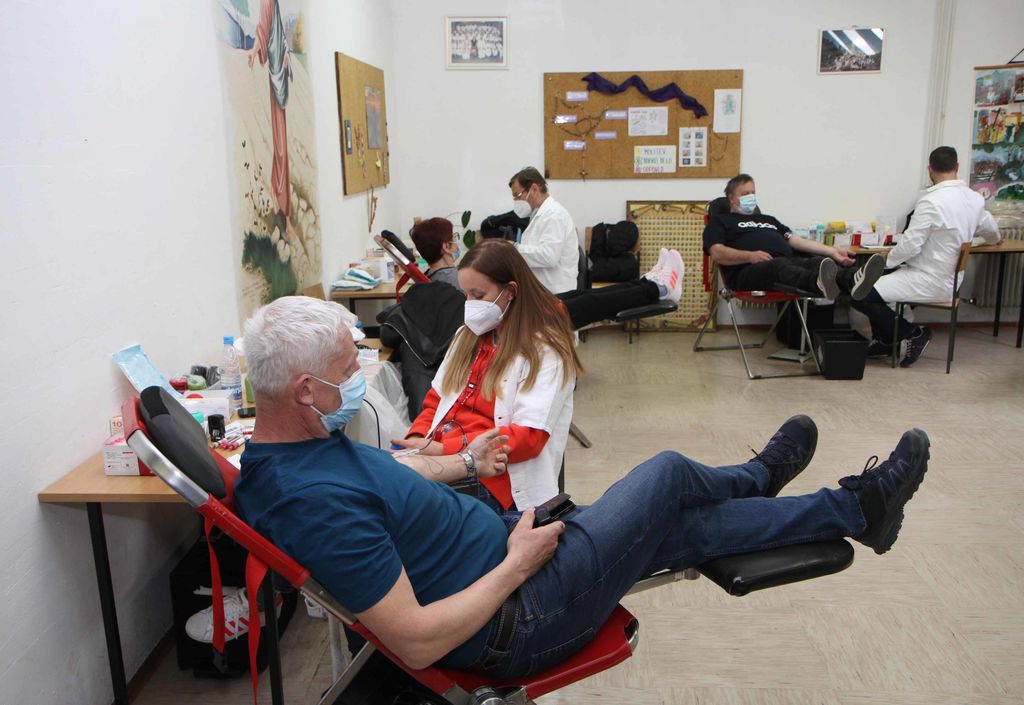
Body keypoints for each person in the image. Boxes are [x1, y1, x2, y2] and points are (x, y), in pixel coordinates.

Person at [236, 294, 931, 680]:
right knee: (667, 475)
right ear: (305, 390)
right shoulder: (311, 502)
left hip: (512, 557)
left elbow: (389, 477)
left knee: (687, 526)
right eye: (346, 369)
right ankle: (759, 478)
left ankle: (857, 508)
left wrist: (464, 464)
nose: (359, 376)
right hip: (522, 614)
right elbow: (415, 643)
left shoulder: (298, 446)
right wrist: (516, 565)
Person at [394, 240, 583, 512]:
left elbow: (528, 438)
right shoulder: (467, 336)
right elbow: (436, 399)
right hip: (447, 457)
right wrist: (417, 438)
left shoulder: (544, 350)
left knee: (406, 509)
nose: (470, 305)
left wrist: (444, 449)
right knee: (383, 483)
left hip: (497, 480)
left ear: (510, 291)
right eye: (466, 295)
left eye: (479, 295)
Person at [850, 147, 1002, 367]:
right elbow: (993, 233)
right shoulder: (974, 199)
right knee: (878, 286)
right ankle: (887, 341)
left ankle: (913, 334)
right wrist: (996, 239)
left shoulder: (931, 201)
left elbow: (911, 244)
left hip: (928, 278)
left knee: (860, 294)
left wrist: (886, 259)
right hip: (951, 280)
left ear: (930, 170)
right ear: (957, 167)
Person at [507, 167, 686, 328]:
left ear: (534, 189)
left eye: (518, 195)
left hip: (552, 291)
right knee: (597, 299)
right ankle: (655, 286)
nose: (516, 201)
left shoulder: (553, 215)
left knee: (598, 298)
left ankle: (655, 286)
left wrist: (513, 249)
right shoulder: (540, 215)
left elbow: (549, 256)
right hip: (543, 298)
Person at [703, 173, 886, 301]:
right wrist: (750, 256)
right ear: (731, 199)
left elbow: (796, 241)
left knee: (817, 262)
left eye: (753, 193)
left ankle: (853, 279)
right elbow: (717, 252)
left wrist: (832, 251)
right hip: (747, 271)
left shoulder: (768, 219)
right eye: (745, 194)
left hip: (785, 262)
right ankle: (817, 283)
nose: (751, 197)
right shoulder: (720, 221)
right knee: (780, 265)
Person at [410, 217, 462, 290]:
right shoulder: (458, 280)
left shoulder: (429, 275)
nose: (455, 241)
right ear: (446, 246)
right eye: (453, 237)